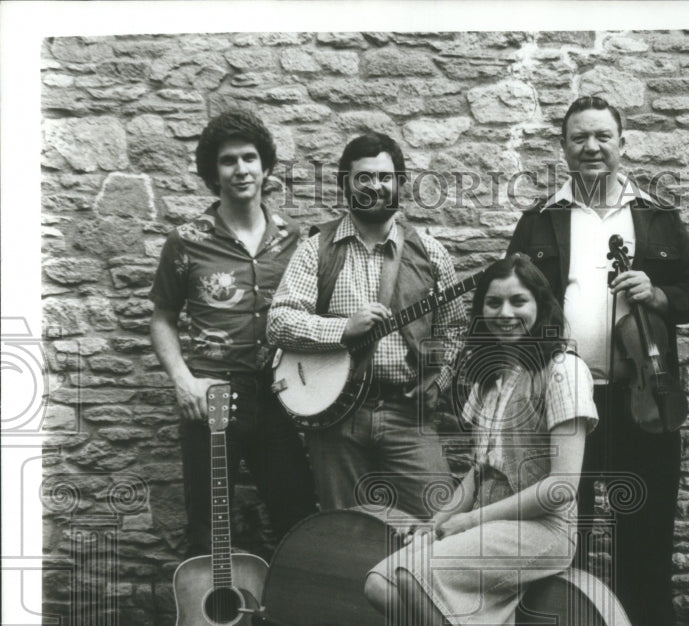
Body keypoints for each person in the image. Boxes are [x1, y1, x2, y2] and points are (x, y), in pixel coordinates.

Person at [364, 254, 599, 626]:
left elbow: (561, 488)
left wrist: (468, 522)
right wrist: (440, 519)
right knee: (380, 583)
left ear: (542, 306)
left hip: (542, 529)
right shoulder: (492, 377)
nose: (505, 311)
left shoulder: (564, 370)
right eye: (493, 301)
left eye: (519, 300)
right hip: (485, 524)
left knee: (413, 577)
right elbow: (479, 470)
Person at [506, 96, 689, 626]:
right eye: (579, 138)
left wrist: (660, 295)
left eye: (602, 136)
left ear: (623, 143)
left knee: (645, 531)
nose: (591, 147)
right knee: (564, 532)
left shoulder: (658, 218)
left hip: (641, 399)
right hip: (567, 402)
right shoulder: (540, 219)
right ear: (564, 148)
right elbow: (510, 302)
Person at [267, 133, 464, 519]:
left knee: (438, 520)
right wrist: (342, 330)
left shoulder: (430, 252)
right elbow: (279, 321)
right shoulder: (316, 249)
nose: (375, 186)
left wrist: (438, 381)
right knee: (344, 534)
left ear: (400, 183)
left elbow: (454, 328)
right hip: (336, 417)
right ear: (346, 185)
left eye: (385, 177)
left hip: (408, 414)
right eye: (363, 178)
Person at [149, 110, 317, 560]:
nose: (241, 169)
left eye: (249, 158)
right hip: (212, 396)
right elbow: (162, 315)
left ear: (265, 167)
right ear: (213, 172)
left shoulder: (295, 239)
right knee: (209, 531)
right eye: (228, 161)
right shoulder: (186, 240)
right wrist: (183, 380)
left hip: (279, 396)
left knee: (297, 518)